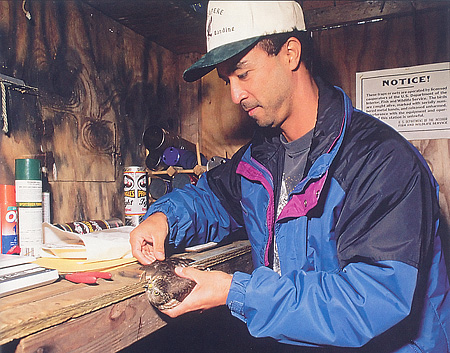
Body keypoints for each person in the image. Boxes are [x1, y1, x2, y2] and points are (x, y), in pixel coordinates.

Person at [130, 1, 449, 351]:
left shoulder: (382, 161)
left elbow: (369, 302)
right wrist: (164, 219)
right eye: (227, 81)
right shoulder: (261, 156)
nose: (235, 95)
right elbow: (212, 196)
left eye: (243, 73)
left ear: (290, 53)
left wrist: (236, 293)